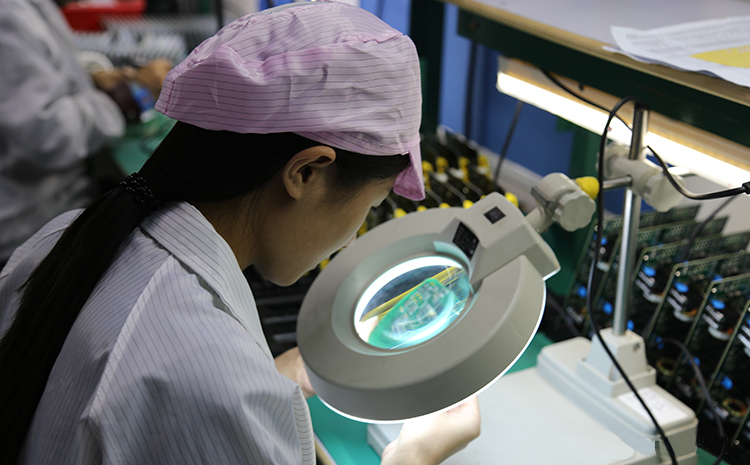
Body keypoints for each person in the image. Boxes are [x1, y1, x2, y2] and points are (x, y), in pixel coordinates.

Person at [0, 1, 480, 464]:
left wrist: (271, 378)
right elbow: (194, 389)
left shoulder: (57, 239)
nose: (351, 240)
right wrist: (413, 456)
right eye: (369, 207)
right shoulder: (218, 385)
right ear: (306, 172)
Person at [0, 0, 171, 264]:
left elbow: (35, 70)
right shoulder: (7, 15)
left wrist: (91, 79)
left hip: (49, 207)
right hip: (28, 229)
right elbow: (46, 135)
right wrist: (131, 94)